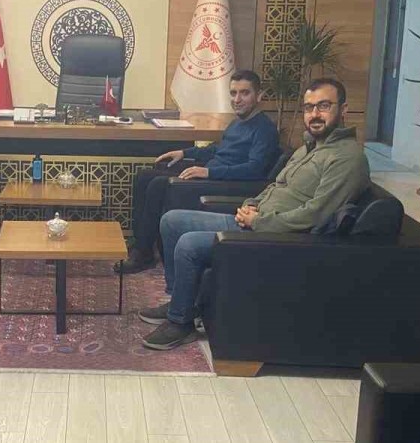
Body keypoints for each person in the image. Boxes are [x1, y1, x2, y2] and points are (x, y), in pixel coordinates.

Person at [139, 78, 371, 350]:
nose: (315, 114)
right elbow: (274, 186)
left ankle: (181, 322)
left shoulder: (347, 158)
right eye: (309, 107)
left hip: (276, 237)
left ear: (344, 109)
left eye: (324, 106)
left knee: (188, 244)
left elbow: (317, 215)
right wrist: (251, 204)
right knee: (171, 221)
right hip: (255, 221)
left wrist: (258, 220)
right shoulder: (308, 148)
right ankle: (180, 302)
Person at [118, 69, 279, 274]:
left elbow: (254, 170)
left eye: (244, 93)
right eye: (233, 93)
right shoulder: (238, 122)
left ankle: (143, 254)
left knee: (158, 184)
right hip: (211, 174)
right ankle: (141, 242)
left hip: (223, 184)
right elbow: (217, 150)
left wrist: (209, 173)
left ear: (259, 96)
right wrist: (184, 153)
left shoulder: (264, 129)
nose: (237, 99)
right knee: (145, 177)